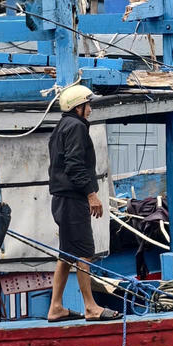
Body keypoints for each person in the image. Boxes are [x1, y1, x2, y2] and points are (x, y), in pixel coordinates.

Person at [46, 84, 120, 322]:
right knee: (83, 253)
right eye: (87, 105)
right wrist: (91, 194)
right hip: (72, 200)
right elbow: (74, 165)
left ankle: (55, 307)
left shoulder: (61, 127)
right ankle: (90, 307)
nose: (90, 109)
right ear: (78, 107)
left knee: (66, 254)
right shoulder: (76, 127)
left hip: (61, 199)